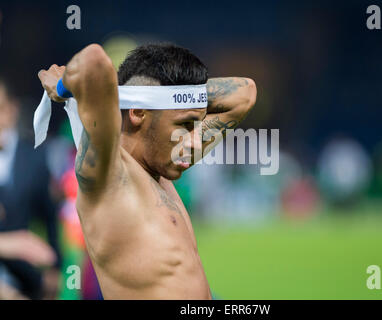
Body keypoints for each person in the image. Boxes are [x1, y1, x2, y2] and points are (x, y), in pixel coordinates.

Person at [38, 43, 257, 299]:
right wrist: (62, 88)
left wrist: (175, 96)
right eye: (184, 125)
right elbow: (93, 61)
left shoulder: (163, 165)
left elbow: (245, 93)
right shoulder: (108, 175)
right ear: (138, 112)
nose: (196, 142)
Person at [0, 78, 62, 299]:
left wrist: (56, 268)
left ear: (11, 109)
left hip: (29, 276)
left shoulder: (34, 157)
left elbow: (50, 215)